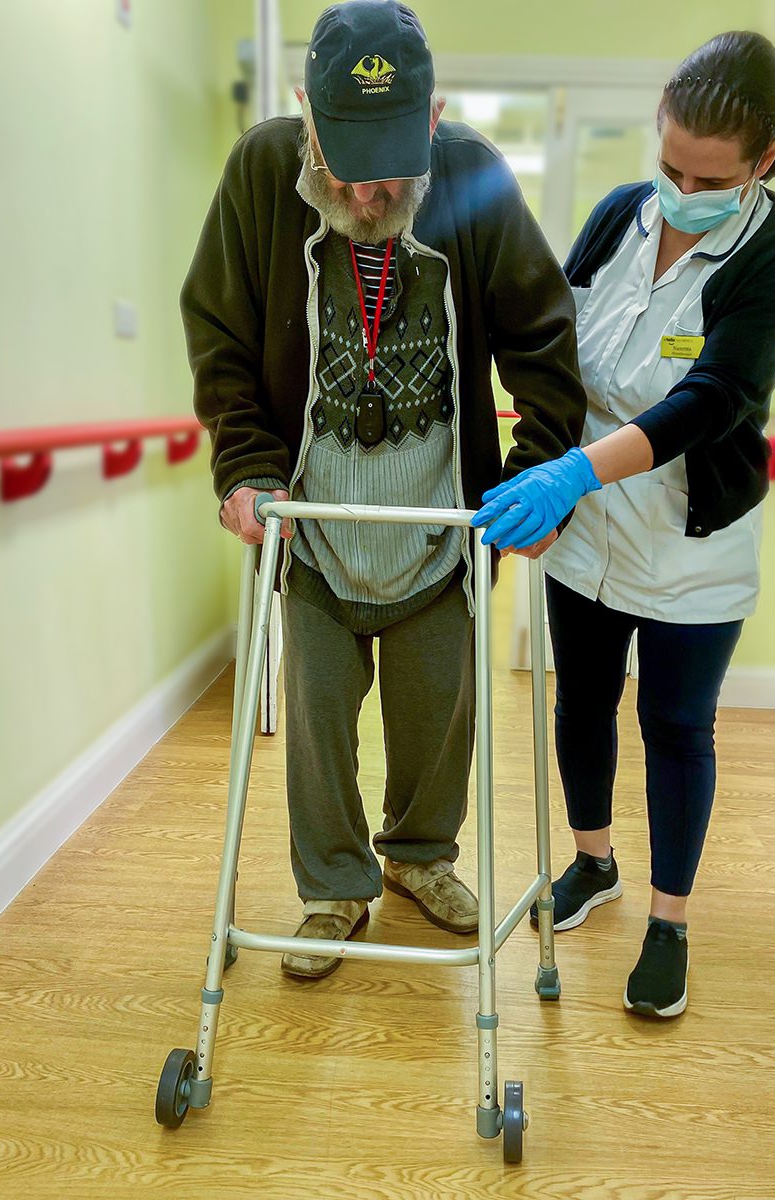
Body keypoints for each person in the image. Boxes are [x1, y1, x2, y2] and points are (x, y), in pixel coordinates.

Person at [181, 0, 585, 978]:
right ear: (303, 113)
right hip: (313, 529)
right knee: (316, 727)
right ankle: (332, 888)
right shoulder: (257, 172)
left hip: (440, 528)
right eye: (347, 163)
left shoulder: (474, 176)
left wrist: (538, 474)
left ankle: (417, 858)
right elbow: (222, 338)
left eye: (393, 166)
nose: (369, 193)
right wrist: (243, 468)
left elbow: (542, 337)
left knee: (438, 721)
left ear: (433, 113)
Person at [474, 31, 775, 1017]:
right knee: (580, 703)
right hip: (581, 528)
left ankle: (667, 920)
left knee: (673, 726)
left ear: (762, 160)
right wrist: (538, 468)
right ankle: (593, 864)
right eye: (667, 165)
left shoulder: (774, 258)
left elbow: (712, 398)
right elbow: (551, 341)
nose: (678, 189)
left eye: (707, 176)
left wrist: (572, 470)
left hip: (688, 541)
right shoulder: (618, 215)